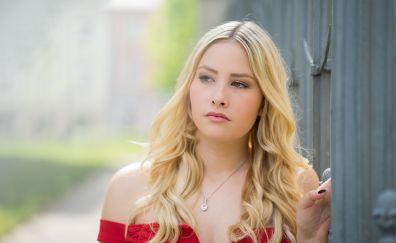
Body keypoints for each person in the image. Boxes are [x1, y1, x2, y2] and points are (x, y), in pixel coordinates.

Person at [97, 21, 331, 243]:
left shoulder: (294, 182)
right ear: (189, 86)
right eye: (206, 78)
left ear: (264, 101)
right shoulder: (128, 186)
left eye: (239, 84)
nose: (218, 97)